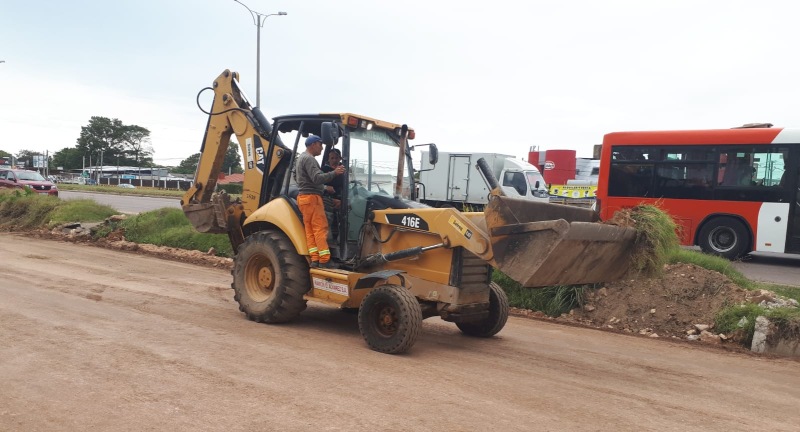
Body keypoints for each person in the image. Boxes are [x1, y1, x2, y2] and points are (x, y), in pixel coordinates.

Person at [295, 135, 346, 268]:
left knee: (310, 230)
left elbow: (298, 176)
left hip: (304, 198)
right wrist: (335, 173)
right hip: (313, 198)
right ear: (313, 144)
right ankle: (324, 260)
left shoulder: (301, 158)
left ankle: (315, 259)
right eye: (320, 144)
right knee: (320, 229)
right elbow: (317, 178)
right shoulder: (309, 159)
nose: (322, 148)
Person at [321, 148, 344, 260]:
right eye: (332, 158)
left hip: (341, 201)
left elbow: (345, 187)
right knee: (327, 222)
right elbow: (316, 184)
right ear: (328, 159)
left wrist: (342, 200)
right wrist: (326, 190)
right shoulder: (324, 170)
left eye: (336, 158)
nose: (334, 160)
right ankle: (328, 250)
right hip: (326, 200)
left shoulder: (343, 171)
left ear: (340, 158)